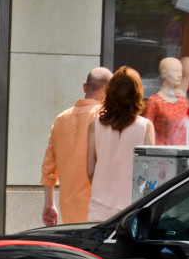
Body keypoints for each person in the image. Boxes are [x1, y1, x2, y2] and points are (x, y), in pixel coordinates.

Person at [40, 67, 111, 226]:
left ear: (85, 86)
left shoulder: (60, 119)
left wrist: (49, 203)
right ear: (110, 91)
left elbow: (48, 168)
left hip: (68, 208)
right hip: (100, 209)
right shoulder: (105, 118)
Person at [86, 66, 155, 222]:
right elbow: (150, 173)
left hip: (99, 208)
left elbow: (90, 170)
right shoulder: (145, 126)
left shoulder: (95, 125)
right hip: (134, 210)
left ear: (110, 92)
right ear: (137, 94)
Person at [143, 56, 189, 145]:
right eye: (175, 70)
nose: (180, 75)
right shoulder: (154, 102)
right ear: (164, 74)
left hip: (183, 152)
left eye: (181, 71)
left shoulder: (184, 102)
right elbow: (146, 132)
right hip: (162, 154)